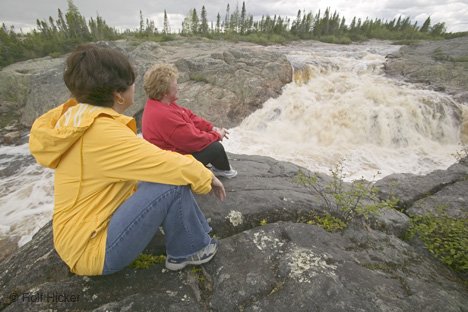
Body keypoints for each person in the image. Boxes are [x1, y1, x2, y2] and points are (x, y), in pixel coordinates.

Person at [29, 44, 226, 276]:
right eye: (132, 82)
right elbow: (167, 164)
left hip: (82, 232)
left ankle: (193, 234)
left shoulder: (75, 118)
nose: (136, 87)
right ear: (118, 94)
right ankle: (190, 249)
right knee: (173, 180)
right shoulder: (102, 132)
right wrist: (207, 175)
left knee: (164, 176)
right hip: (92, 250)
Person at [142, 64, 237, 179]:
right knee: (215, 148)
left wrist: (211, 128)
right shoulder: (164, 115)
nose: (178, 87)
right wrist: (217, 135)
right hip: (171, 165)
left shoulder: (160, 104)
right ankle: (224, 172)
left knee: (211, 144)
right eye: (175, 85)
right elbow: (193, 141)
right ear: (165, 92)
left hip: (169, 157)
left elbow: (189, 116)